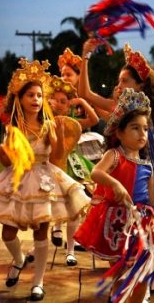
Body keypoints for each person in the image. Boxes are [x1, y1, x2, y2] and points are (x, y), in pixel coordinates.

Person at [0, 58, 90, 301]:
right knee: (7, 234)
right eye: (30, 95)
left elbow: (57, 157)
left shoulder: (48, 125)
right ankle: (18, 259)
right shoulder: (12, 128)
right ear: (20, 99)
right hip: (16, 182)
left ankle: (38, 282)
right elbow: (6, 162)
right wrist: (5, 150)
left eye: (39, 95)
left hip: (45, 179)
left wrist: (57, 136)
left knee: (41, 232)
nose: (35, 100)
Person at [74, 88, 154, 303]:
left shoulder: (147, 165)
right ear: (119, 133)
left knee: (140, 275)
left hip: (140, 223)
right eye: (135, 128)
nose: (142, 134)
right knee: (121, 272)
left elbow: (151, 200)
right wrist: (115, 184)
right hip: (117, 224)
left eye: (146, 129)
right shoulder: (114, 155)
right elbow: (96, 172)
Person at [48, 49, 100, 263]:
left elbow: (94, 119)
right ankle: (55, 230)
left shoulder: (73, 109)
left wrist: (79, 101)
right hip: (54, 160)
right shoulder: (49, 111)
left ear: (79, 77)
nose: (64, 77)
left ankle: (70, 248)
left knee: (75, 202)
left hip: (75, 158)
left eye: (69, 74)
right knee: (52, 199)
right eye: (62, 73)